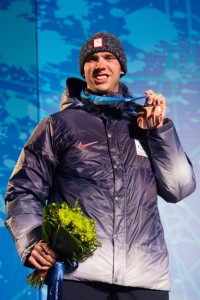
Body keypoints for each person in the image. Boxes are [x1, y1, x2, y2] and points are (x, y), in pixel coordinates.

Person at [5, 32, 196, 300]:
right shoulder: (58, 125)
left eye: (108, 57)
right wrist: (33, 240)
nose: (100, 65)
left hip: (146, 279)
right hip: (79, 275)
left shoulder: (144, 125)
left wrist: (159, 132)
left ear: (121, 68)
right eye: (92, 59)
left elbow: (179, 188)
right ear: (84, 69)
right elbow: (23, 190)